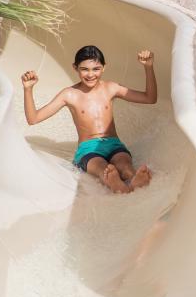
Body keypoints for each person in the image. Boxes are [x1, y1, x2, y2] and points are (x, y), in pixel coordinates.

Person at [21, 45, 157, 194]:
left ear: (104, 68)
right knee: (102, 168)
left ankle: (132, 179)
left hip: (114, 144)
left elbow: (149, 98)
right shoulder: (69, 94)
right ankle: (114, 181)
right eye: (84, 69)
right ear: (75, 68)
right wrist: (28, 89)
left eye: (96, 69)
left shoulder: (111, 88)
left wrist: (148, 67)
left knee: (125, 166)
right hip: (88, 149)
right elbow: (33, 118)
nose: (90, 74)